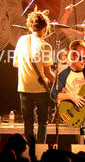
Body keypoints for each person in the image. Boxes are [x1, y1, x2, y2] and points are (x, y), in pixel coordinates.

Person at [13, 9, 55, 143]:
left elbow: (16, 63)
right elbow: (48, 73)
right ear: (45, 28)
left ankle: (29, 150)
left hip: (24, 87)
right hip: (40, 89)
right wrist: (58, 84)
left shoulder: (21, 41)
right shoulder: (45, 46)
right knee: (43, 121)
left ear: (31, 26)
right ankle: (40, 150)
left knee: (28, 122)